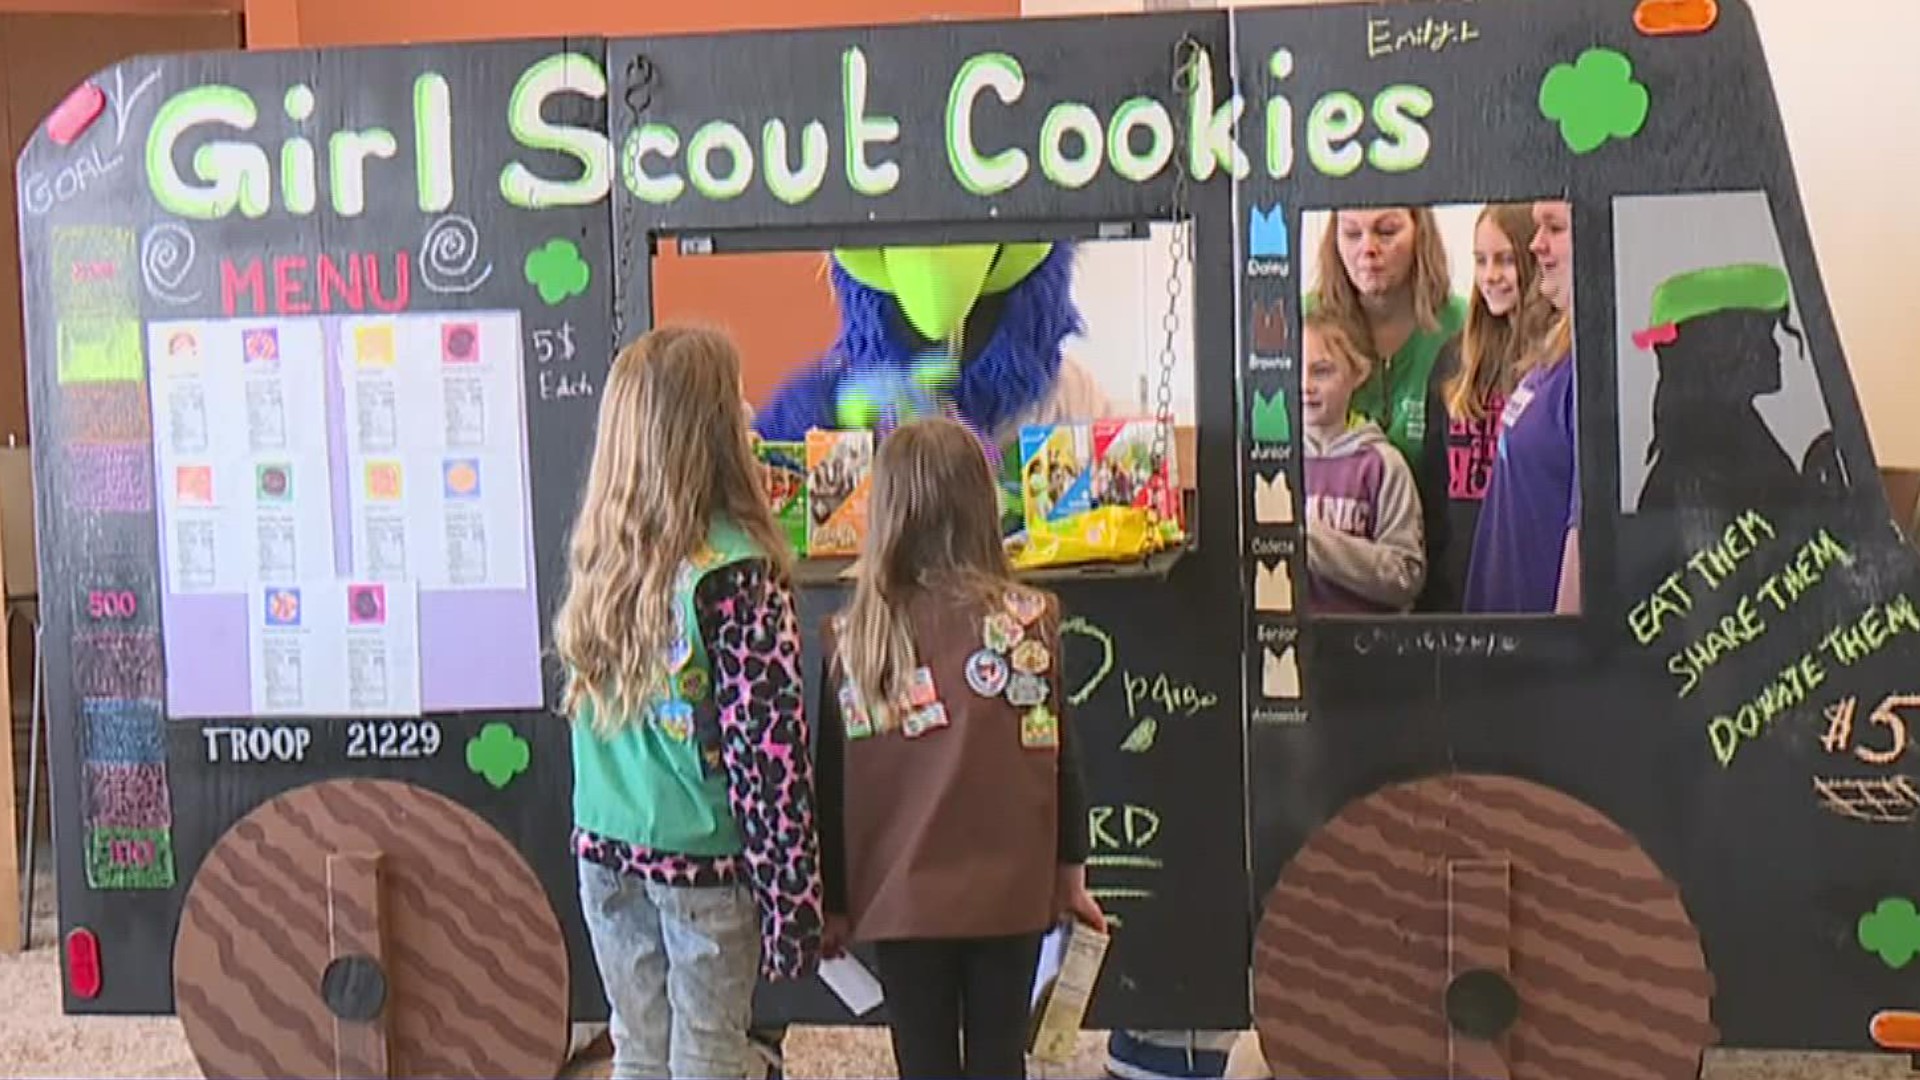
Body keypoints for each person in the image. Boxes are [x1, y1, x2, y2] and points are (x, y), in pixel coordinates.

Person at [554, 325, 824, 1079]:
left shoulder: (604, 553)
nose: (747, 412)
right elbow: (769, 762)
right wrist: (792, 907)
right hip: (704, 861)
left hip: (604, 849)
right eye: (734, 404)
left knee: (638, 1046)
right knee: (708, 1052)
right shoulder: (738, 570)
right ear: (712, 433)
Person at [814, 416, 1106, 1080]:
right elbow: (1065, 761)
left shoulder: (854, 637)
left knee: (924, 1064)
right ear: (984, 506)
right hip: (1011, 893)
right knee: (1001, 1059)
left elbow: (829, 784)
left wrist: (832, 900)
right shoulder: (1027, 621)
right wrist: (1070, 874)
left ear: (885, 512)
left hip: (899, 899)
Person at [1305, 207, 1465, 610]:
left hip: (1444, 567)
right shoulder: (1303, 323)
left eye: (1387, 231)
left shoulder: (1465, 327)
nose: (1368, 249)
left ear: (1420, 233)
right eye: (1351, 233)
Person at [1632, 263, 1836, 512]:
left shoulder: (1736, 428)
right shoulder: (1699, 461)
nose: (1776, 349)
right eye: (1762, 334)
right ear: (1719, 348)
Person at [1464, 201, 1581, 615]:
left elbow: (1582, 528)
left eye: (1554, 228)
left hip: (1543, 648)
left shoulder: (1585, 368)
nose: (1537, 245)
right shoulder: (1553, 355)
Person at [1440, 204, 1552, 595]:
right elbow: (1435, 491)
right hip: (1465, 576)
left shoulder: (1553, 364)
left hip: (1530, 572)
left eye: (1505, 260)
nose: (1490, 276)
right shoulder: (1455, 359)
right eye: (1481, 261)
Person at [1301, 313, 1426, 614]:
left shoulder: (1383, 466)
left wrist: (1312, 542)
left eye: (1322, 371)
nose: (1305, 385)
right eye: (1296, 369)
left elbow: (1405, 574)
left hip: (1366, 647)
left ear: (1357, 374)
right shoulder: (1269, 464)